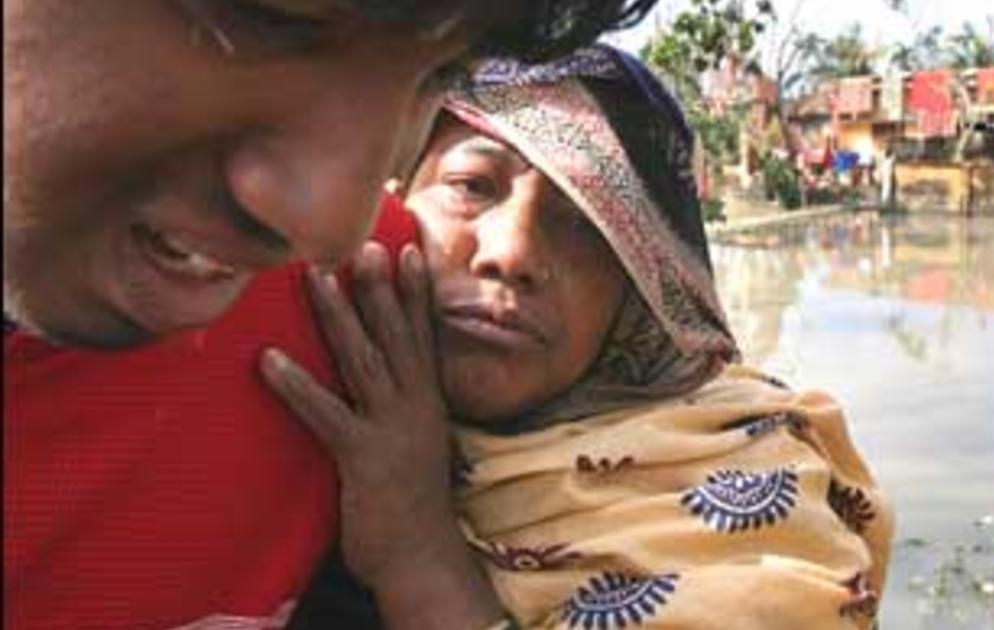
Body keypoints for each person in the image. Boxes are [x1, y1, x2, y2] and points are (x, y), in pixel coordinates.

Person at [4, 2, 657, 628]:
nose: (334, 222)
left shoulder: (372, 314)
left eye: (440, 75)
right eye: (268, 16)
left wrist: (421, 557)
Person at [269, 45, 895, 629]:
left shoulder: (742, 482)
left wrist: (420, 553)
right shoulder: (281, 385)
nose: (511, 253)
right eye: (471, 187)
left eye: (587, 224)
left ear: (642, 290)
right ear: (395, 195)